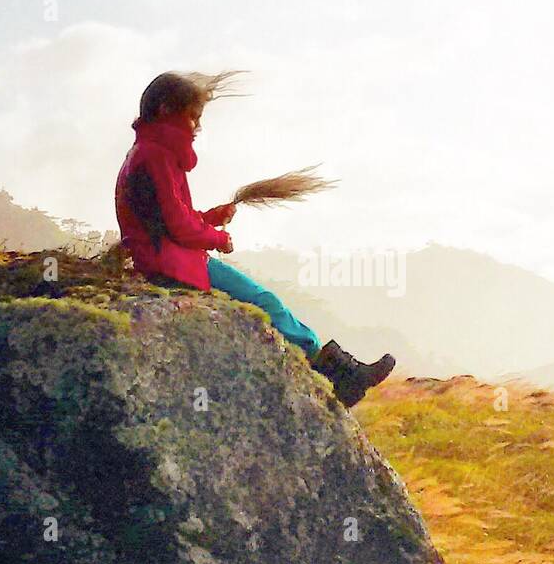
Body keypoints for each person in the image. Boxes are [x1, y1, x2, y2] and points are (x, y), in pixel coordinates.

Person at [115, 70, 395, 408]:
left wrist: (211, 217)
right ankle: (340, 377)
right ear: (164, 110)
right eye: (192, 117)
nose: (197, 127)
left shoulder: (145, 153)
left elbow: (169, 218)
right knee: (266, 301)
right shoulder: (156, 157)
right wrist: (217, 238)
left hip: (165, 257)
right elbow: (178, 227)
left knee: (264, 299)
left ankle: (338, 370)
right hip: (172, 264)